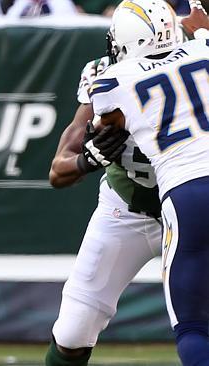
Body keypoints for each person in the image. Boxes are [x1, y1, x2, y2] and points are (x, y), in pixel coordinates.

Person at [89, 1, 209, 364]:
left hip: (187, 191)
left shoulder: (111, 80)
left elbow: (106, 123)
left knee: (192, 324)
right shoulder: (203, 47)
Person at [45, 56, 162, 366]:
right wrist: (89, 159)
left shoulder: (193, 65)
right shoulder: (104, 76)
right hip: (124, 211)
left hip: (187, 207)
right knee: (72, 332)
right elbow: (58, 171)